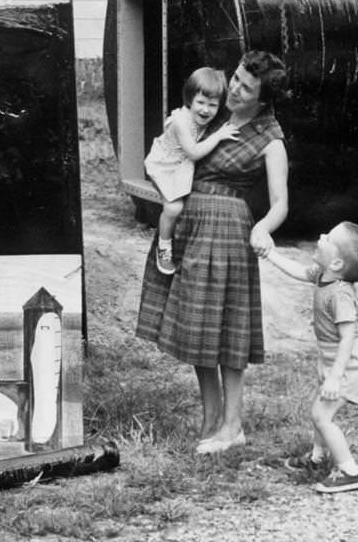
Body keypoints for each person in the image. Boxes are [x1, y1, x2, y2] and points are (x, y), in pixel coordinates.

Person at [136, 49, 290, 454]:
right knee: (198, 328)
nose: (235, 90)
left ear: (264, 98)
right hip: (191, 225)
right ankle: (211, 418)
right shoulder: (211, 113)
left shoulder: (270, 138)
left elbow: (280, 204)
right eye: (236, 79)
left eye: (247, 87)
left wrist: (263, 226)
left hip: (227, 233)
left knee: (229, 334)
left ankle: (232, 424)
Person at [258, 221, 358, 494]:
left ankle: (350, 471)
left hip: (347, 364)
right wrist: (270, 254)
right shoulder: (324, 275)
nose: (321, 236)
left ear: (336, 263)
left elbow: (348, 338)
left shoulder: (341, 295)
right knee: (319, 411)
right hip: (331, 358)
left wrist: (335, 377)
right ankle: (318, 458)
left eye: (328, 238)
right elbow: (299, 271)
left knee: (322, 415)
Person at [144, 67, 236, 275]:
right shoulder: (180, 123)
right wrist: (219, 136)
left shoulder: (205, 118)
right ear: (189, 99)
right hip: (165, 165)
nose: (205, 110)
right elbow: (193, 153)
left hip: (181, 164)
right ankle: (164, 246)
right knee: (174, 207)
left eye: (212, 105)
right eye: (201, 103)